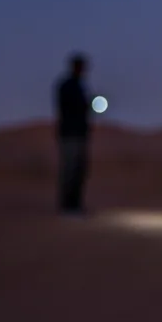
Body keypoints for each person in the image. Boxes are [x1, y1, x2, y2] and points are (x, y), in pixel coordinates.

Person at [54, 53, 93, 214]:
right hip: (70, 134)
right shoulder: (67, 86)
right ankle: (67, 206)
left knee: (79, 170)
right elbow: (67, 108)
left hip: (79, 134)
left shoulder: (79, 86)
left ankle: (75, 204)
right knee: (70, 170)